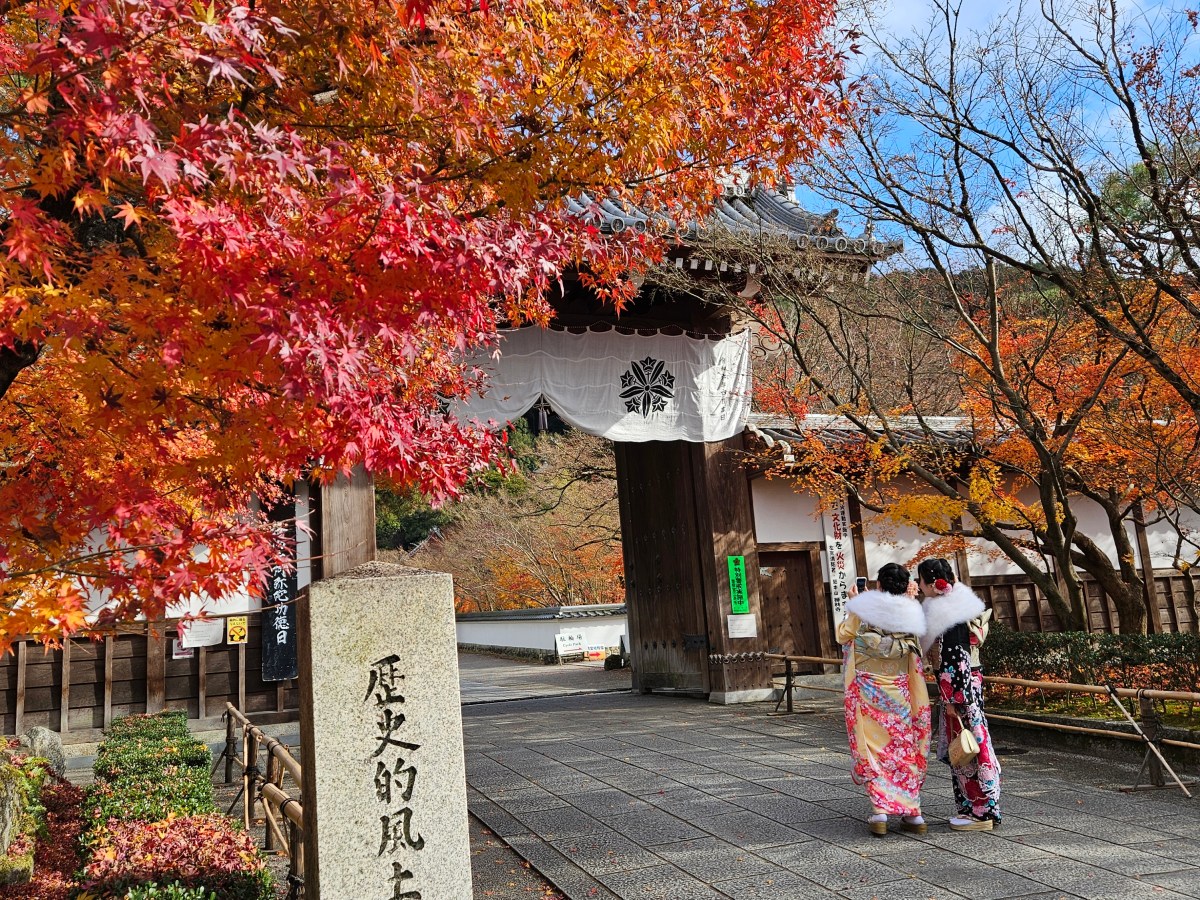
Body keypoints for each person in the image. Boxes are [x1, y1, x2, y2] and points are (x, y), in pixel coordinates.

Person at [838, 563, 930, 836]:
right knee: (903, 744)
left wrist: (856, 604)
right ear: (905, 587)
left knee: (875, 746)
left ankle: (880, 812)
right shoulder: (911, 611)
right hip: (899, 689)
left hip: (868, 688)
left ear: (879, 585)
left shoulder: (865, 608)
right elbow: (918, 647)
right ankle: (913, 813)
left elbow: (843, 635)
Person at [917, 557, 1001, 831]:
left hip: (959, 692)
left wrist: (953, 699)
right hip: (966, 686)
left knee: (969, 749)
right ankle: (972, 807)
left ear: (932, 584)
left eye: (920, 581)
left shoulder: (949, 616)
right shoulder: (958, 608)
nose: (918, 587)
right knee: (966, 749)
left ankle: (980, 811)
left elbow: (957, 659)